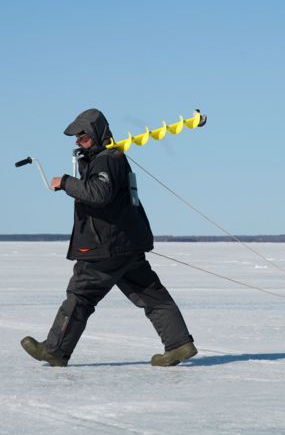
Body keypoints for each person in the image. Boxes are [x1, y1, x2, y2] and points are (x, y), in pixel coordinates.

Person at [21, 108, 196, 367]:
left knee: (80, 296)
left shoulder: (107, 159)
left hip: (104, 246)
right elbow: (100, 193)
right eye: (77, 140)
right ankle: (180, 344)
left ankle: (55, 351)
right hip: (124, 244)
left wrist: (66, 182)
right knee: (152, 295)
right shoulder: (110, 157)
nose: (79, 143)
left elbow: (100, 194)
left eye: (84, 138)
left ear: (97, 134)